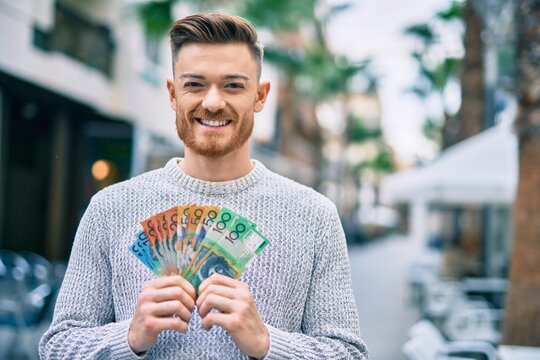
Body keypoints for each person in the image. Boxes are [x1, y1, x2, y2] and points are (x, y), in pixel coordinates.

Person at [39, 12, 369, 359]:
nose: (212, 102)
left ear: (260, 96)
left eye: (233, 85)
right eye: (194, 84)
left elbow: (348, 353)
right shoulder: (109, 208)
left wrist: (268, 342)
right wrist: (129, 336)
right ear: (172, 93)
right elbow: (57, 346)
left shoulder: (315, 216)